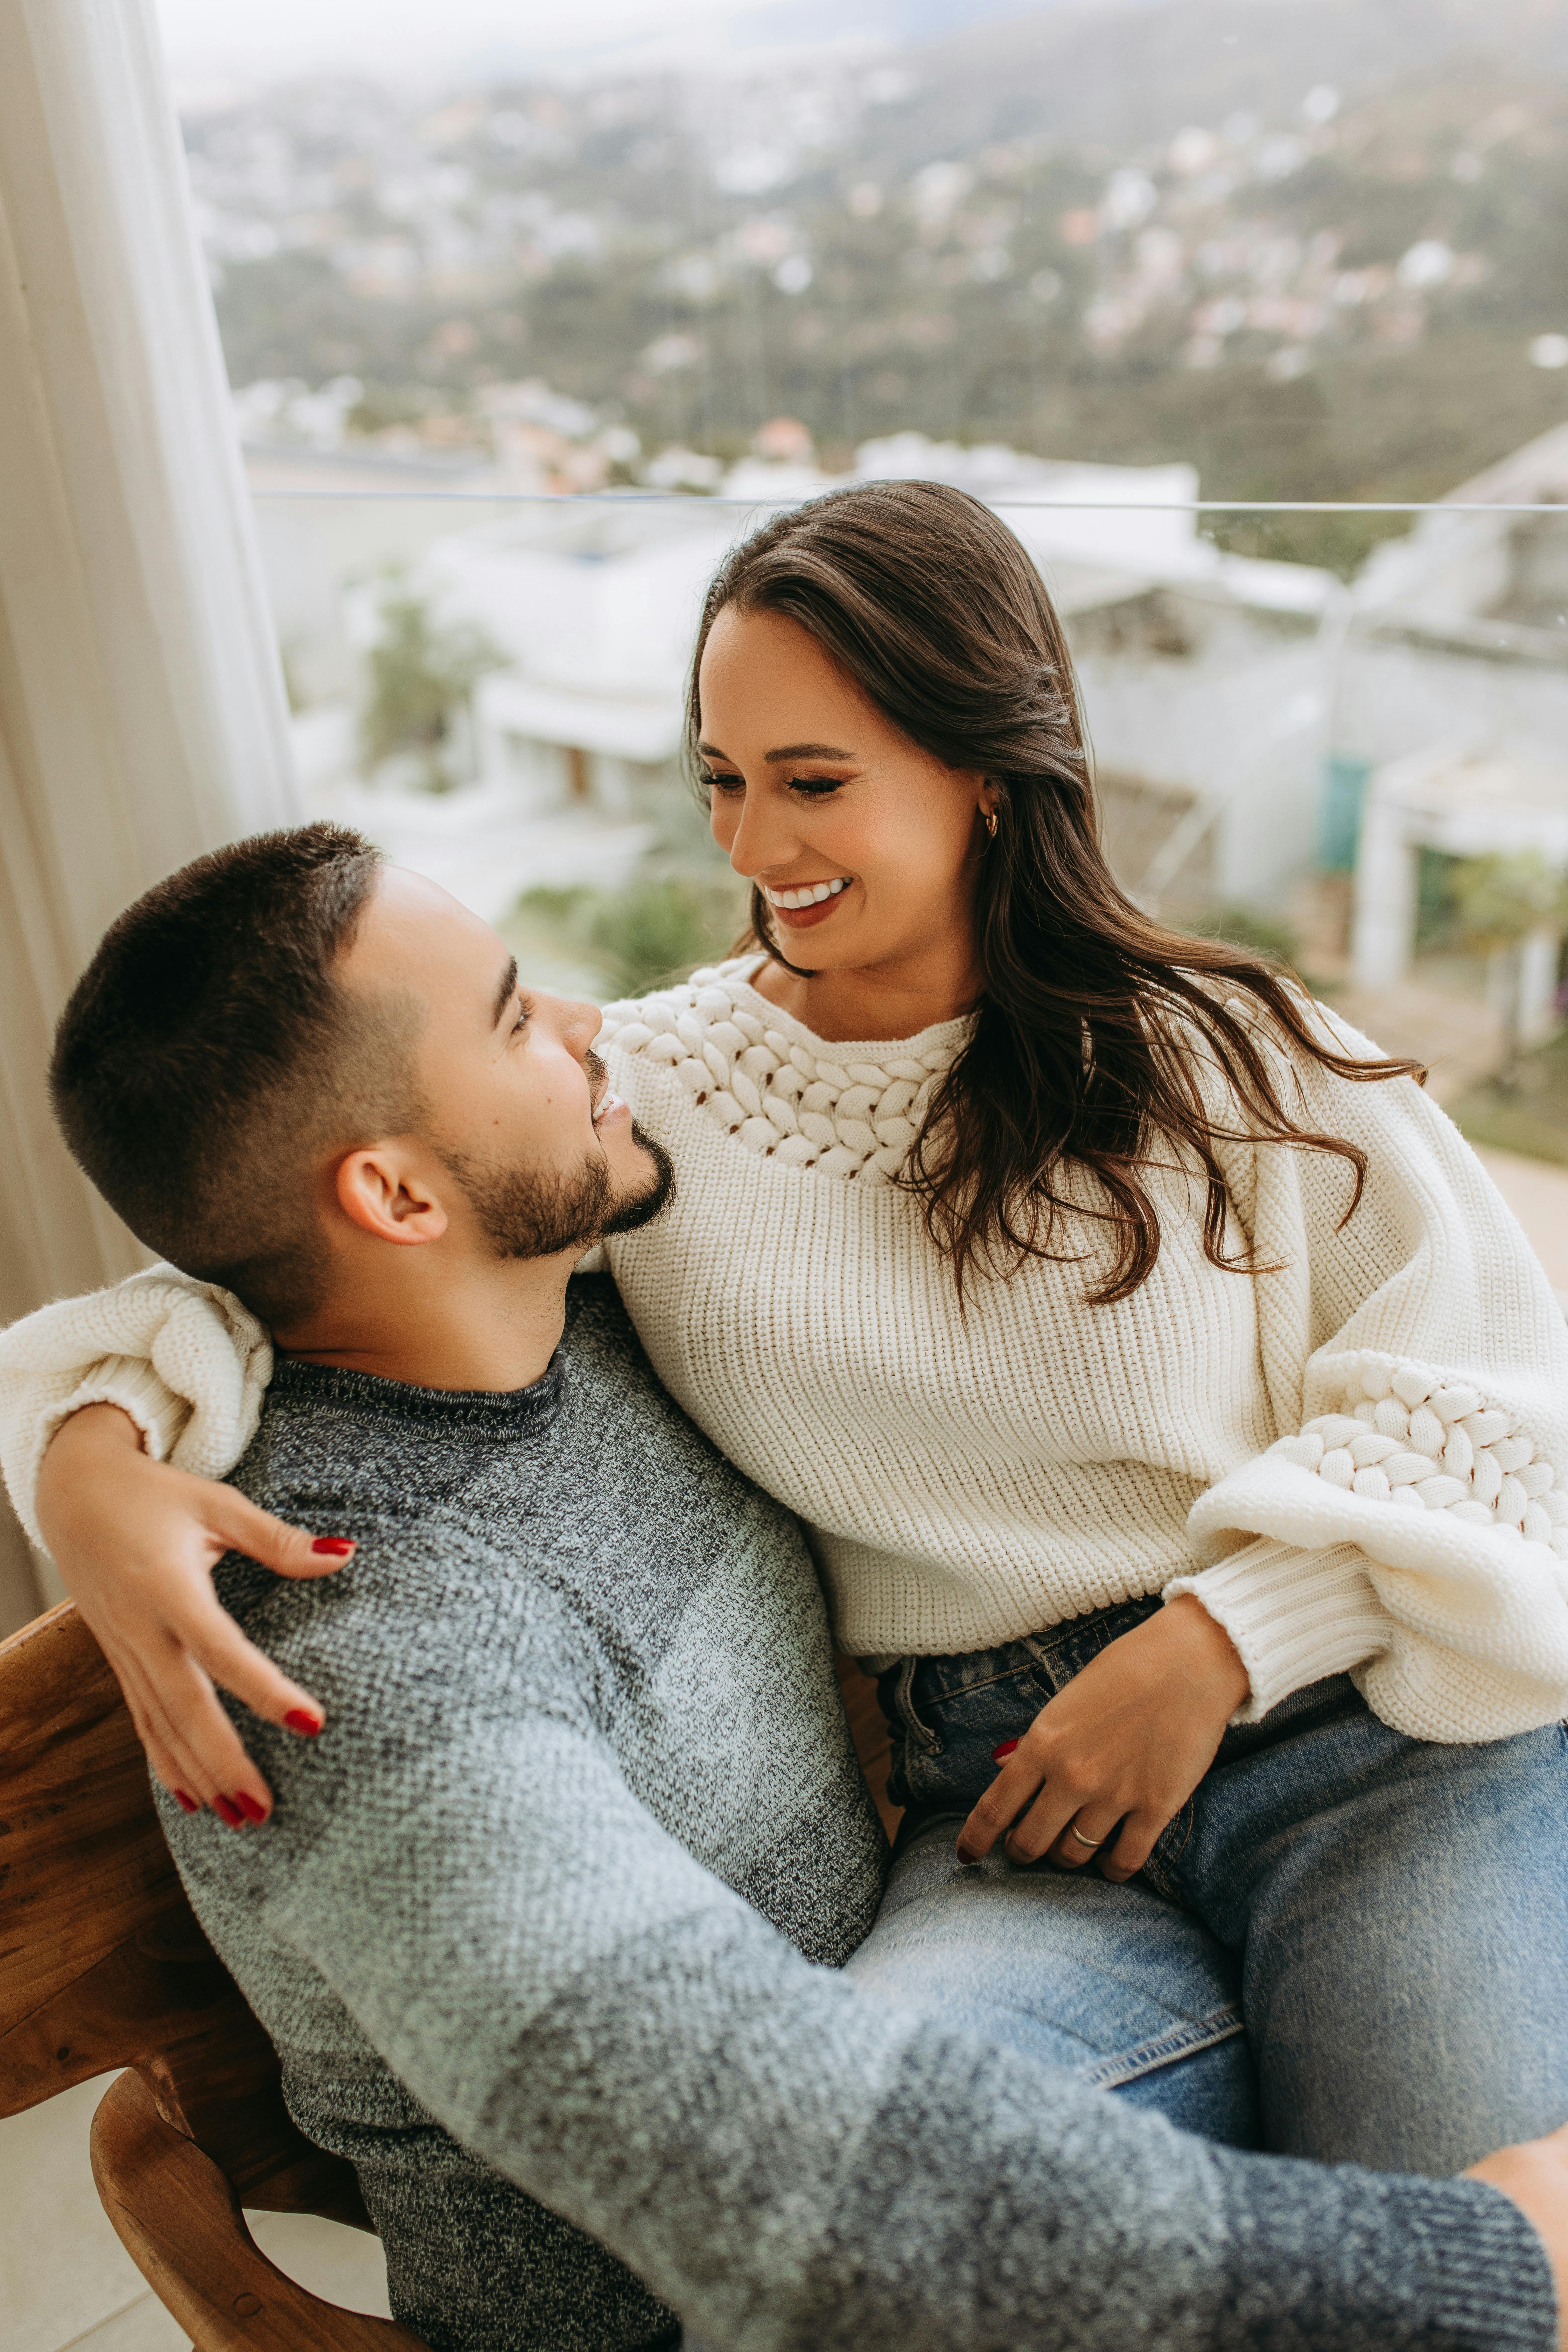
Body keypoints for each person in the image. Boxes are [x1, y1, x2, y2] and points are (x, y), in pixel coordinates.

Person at [7, 482, 1568, 2163]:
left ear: (983, 774)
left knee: (1477, 2245)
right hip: (1005, 1827)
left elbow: (1496, 1403)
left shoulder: (1232, 1056)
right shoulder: (657, 1097)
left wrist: (1221, 1639)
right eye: (721, 782)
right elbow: (295, 1231)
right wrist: (85, 1460)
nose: (752, 850)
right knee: (847, 2214)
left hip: (1367, 1752)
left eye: (813, 784)